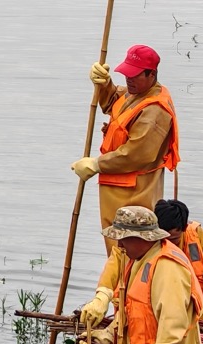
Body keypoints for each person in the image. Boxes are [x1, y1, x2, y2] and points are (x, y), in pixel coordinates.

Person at [71, 44, 180, 247]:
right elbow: (114, 101)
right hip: (116, 191)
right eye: (126, 74)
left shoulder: (155, 111)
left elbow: (136, 154)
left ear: (151, 74)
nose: (129, 79)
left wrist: (96, 164)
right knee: (115, 250)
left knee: (130, 247)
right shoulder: (134, 93)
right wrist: (105, 84)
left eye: (134, 75)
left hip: (136, 194)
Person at [95, 206, 203, 344]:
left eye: (124, 239)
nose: (119, 245)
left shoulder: (168, 267)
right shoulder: (140, 260)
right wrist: (109, 333)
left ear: (143, 238)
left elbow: (173, 322)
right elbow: (133, 308)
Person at [80, 199, 203, 329]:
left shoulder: (197, 239)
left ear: (184, 229)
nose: (167, 244)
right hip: (143, 314)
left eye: (173, 239)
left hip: (196, 313)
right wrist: (102, 296)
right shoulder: (143, 244)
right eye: (162, 238)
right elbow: (115, 263)